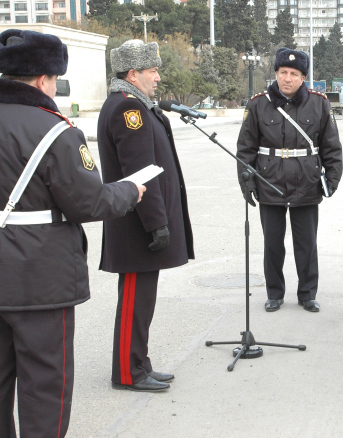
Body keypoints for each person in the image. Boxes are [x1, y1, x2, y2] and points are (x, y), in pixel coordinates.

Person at [0, 29, 145, 436]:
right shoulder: (56, 131)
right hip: (39, 279)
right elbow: (88, 202)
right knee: (44, 384)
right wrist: (130, 191)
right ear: (45, 79)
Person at [97, 39, 194, 391]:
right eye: (152, 71)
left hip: (141, 221)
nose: (157, 78)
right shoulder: (127, 110)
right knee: (135, 302)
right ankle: (128, 371)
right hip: (138, 225)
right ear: (133, 74)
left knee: (142, 301)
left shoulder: (135, 104)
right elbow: (139, 171)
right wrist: (157, 223)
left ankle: (139, 362)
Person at [236, 47, 343, 313]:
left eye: (294, 74)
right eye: (283, 72)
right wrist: (247, 182)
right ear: (276, 73)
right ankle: (274, 293)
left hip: (306, 182)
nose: (288, 78)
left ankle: (307, 294)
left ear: (303, 77)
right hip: (269, 182)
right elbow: (245, 148)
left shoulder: (319, 103)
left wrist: (332, 179)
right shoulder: (258, 103)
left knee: (306, 243)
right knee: (273, 244)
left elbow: (331, 146)